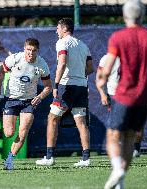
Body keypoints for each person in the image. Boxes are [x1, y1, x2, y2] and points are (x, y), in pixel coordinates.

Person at [96, 0, 147, 188]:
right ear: (143, 15)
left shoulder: (118, 37)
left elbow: (106, 69)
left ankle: (118, 169)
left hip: (124, 95)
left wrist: (102, 79)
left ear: (124, 16)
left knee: (113, 137)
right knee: (130, 137)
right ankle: (120, 181)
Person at [35, 18, 94, 167]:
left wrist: (55, 85)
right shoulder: (83, 45)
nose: (56, 31)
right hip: (81, 86)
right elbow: (90, 69)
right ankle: (86, 159)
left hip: (66, 86)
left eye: (57, 28)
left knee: (52, 118)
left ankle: (49, 157)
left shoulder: (62, 42)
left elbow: (61, 63)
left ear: (64, 28)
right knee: (81, 123)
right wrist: (79, 75)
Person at [0, 38, 52, 170]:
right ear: (24, 49)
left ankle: (10, 159)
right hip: (11, 99)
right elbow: (0, 72)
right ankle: (9, 157)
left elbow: (48, 87)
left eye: (34, 50)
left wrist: (40, 97)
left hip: (29, 102)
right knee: (9, 133)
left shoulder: (42, 65)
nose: (31, 53)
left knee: (23, 132)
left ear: (38, 51)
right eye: (28, 50)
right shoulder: (15, 59)